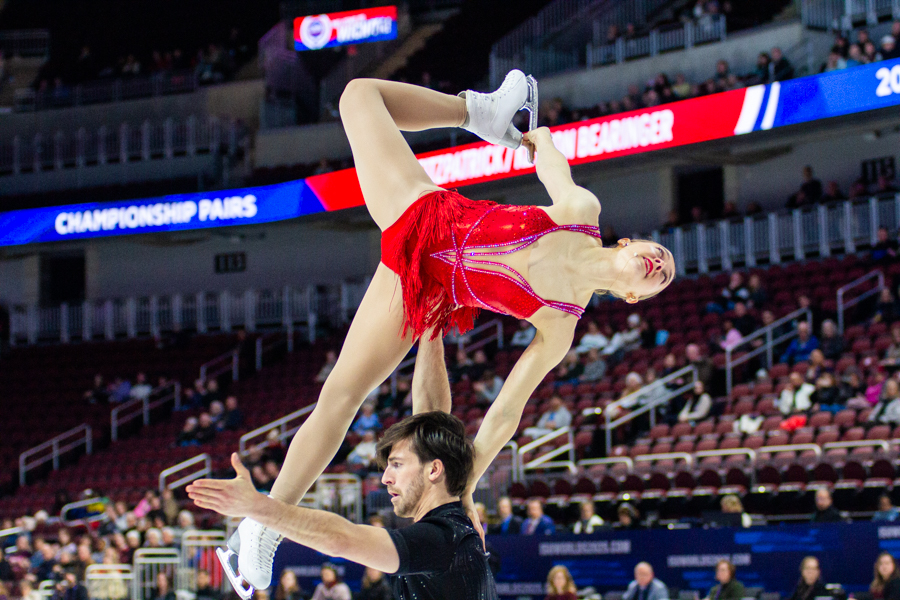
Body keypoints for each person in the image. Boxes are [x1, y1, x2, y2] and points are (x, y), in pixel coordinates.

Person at [213, 70, 674, 590]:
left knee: (341, 396)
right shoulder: (581, 211)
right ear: (630, 244)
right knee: (359, 95)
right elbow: (553, 164)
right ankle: (261, 529)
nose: (658, 261)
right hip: (429, 215)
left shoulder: (561, 321)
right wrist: (538, 138)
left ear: (635, 296)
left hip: (425, 287)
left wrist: (464, 487)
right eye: (658, 252)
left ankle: (261, 530)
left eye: (665, 272)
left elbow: (505, 414)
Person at [188, 409, 499, 600]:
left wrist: (258, 507)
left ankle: (260, 529)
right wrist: (430, 327)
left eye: (397, 465)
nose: (385, 478)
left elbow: (341, 538)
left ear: (434, 470)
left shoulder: (444, 538)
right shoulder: (451, 528)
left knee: (341, 399)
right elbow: (434, 405)